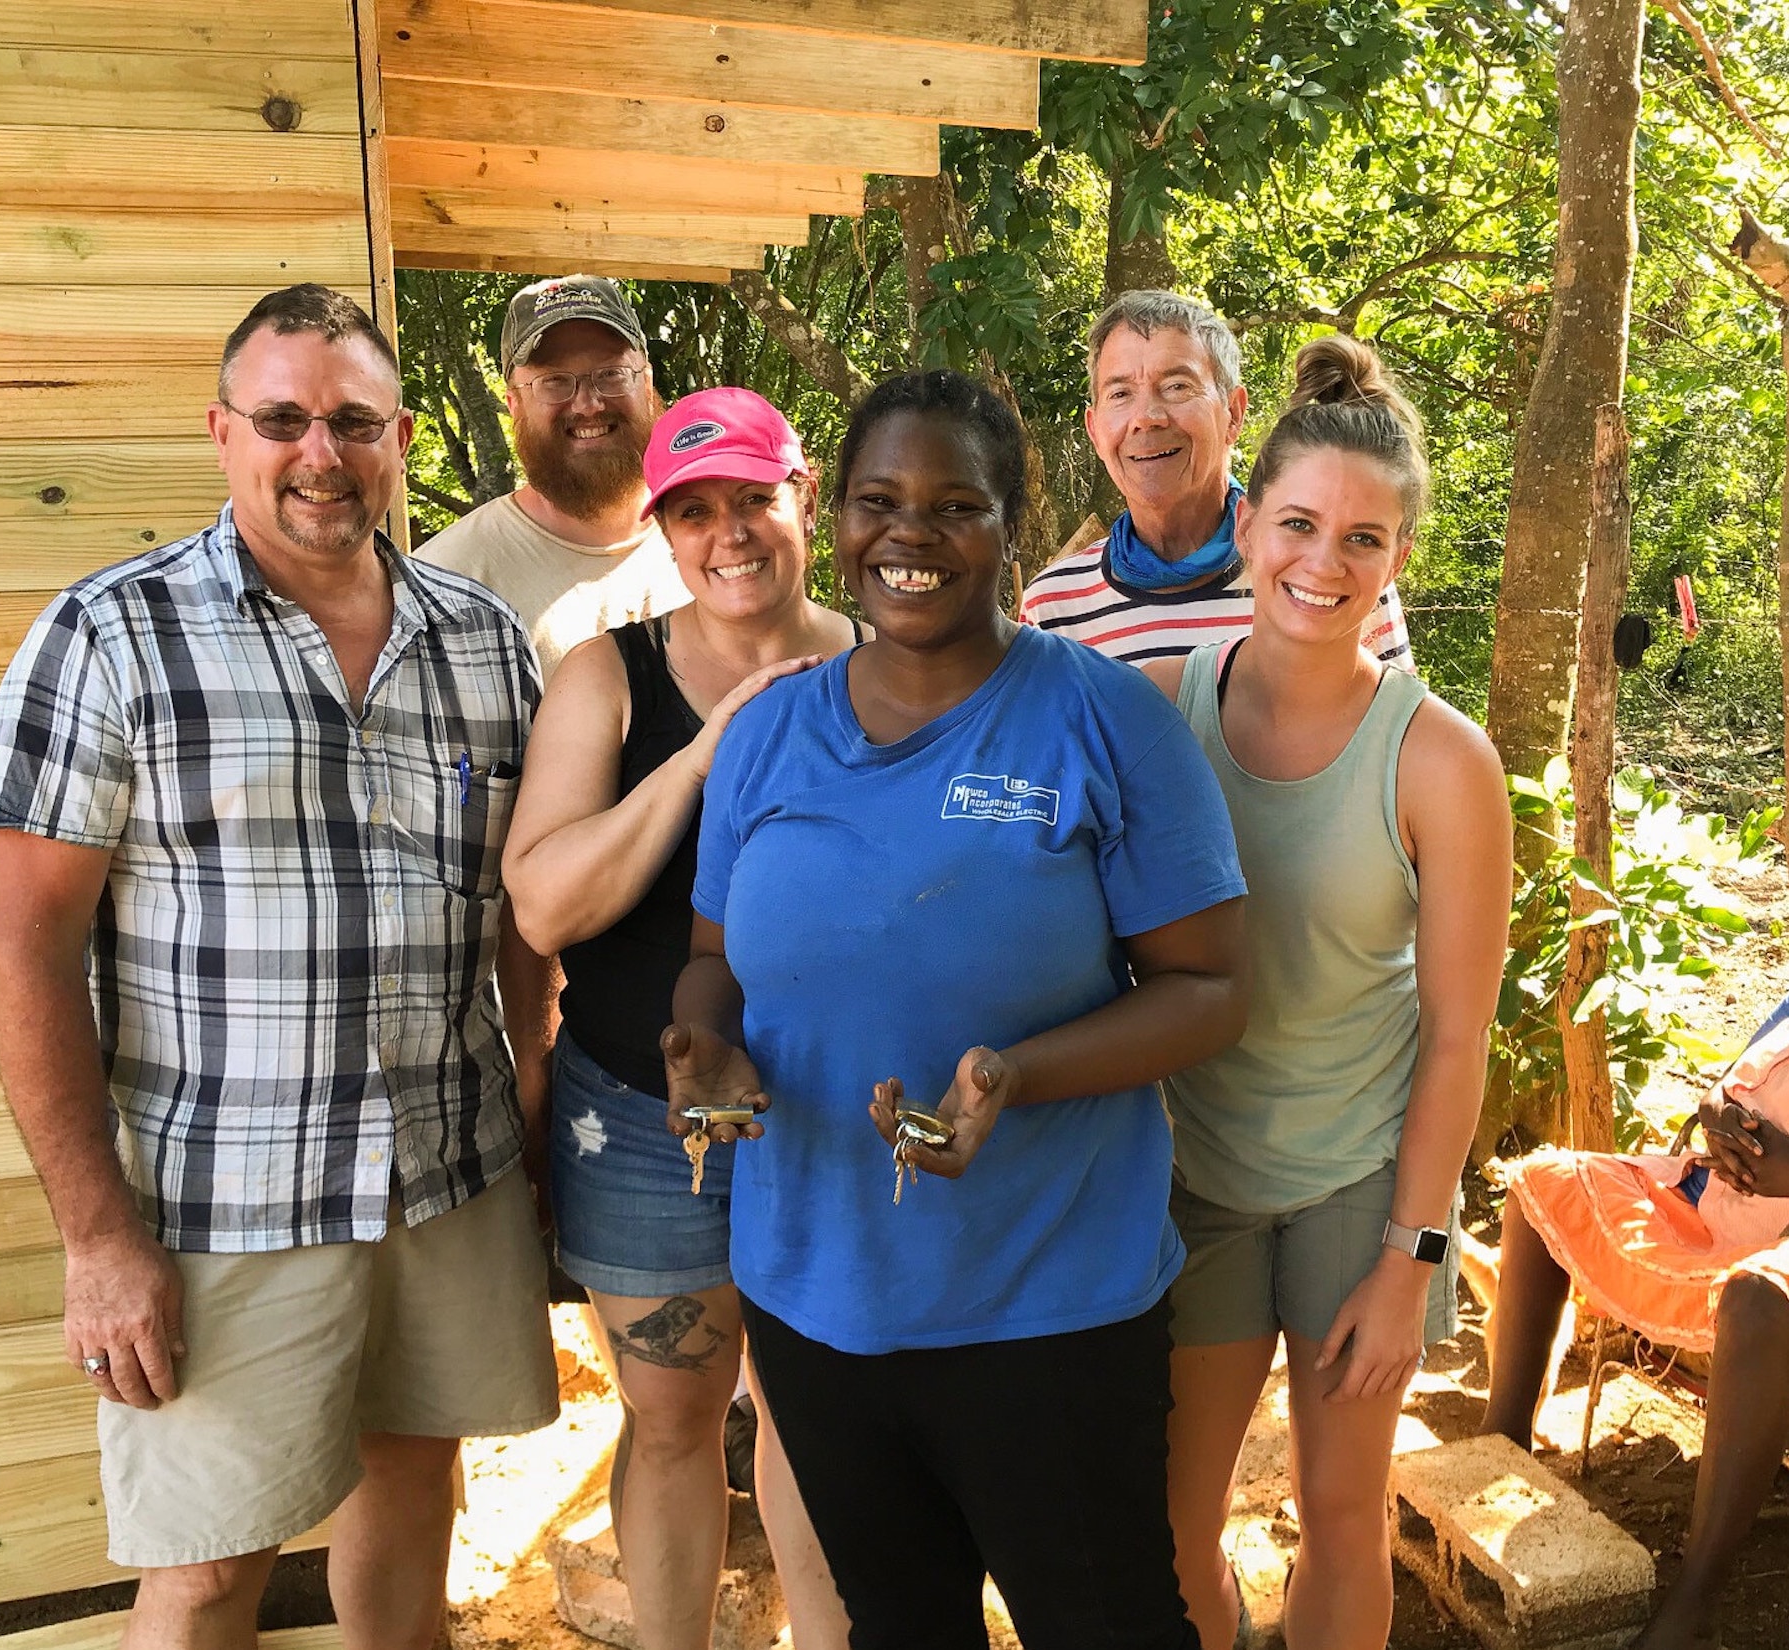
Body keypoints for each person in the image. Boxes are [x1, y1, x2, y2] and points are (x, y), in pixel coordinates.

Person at [0, 284, 559, 1650]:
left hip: (444, 1176)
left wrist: (529, 1098)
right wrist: (96, 1235)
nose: (320, 452)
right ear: (223, 432)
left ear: (399, 436)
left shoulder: (479, 642)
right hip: (223, 1199)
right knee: (208, 1564)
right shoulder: (112, 635)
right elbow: (26, 947)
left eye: (352, 420)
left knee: (417, 1499)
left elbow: (520, 915)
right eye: (283, 418)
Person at [662, 370, 1250, 1650]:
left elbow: (1210, 993)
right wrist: (701, 1046)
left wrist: (1015, 1078)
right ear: (841, 518)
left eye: (953, 506)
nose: (908, 535)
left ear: (1009, 530)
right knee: (900, 1625)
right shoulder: (766, 737)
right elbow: (715, 960)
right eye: (878, 500)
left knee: (1103, 1624)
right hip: (816, 1299)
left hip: (1048, 1302)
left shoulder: (1100, 722)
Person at [1138, 336, 1512, 1650]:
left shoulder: (1439, 760)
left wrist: (1413, 1259)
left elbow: (1458, 1032)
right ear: (1246, 527)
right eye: (1298, 523)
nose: (1322, 561)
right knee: (1173, 1531)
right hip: (1191, 1173)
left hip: (1363, 1180)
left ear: (1397, 558)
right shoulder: (1150, 712)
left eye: (1363, 538)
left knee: (1338, 1517)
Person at [500, 387, 858, 1650]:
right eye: (693, 510)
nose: (729, 534)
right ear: (661, 527)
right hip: (641, 1117)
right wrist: (706, 750)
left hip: (834, 1113)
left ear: (801, 496)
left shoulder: (885, 665)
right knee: (670, 1420)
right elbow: (543, 906)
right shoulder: (608, 675)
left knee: (821, 1419)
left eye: (753, 498)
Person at [1482, 997, 1789, 1650]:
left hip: (1775, 1245)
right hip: (1712, 1205)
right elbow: (1723, 1088)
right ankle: (1500, 1440)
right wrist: (1716, 1118)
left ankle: (1695, 1599)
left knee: (1759, 1300)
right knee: (1545, 1184)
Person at [1021, 290, 1413, 670]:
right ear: (1094, 430)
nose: (1146, 417)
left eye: (1176, 386)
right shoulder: (1055, 608)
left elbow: (1388, 729)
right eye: (1120, 393)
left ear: (1234, 413)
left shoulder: (1325, 580)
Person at [415, 273, 689, 681]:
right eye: (555, 381)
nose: (589, 404)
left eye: (612, 373)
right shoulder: (447, 583)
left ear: (646, 385)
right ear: (514, 404)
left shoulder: (714, 543)